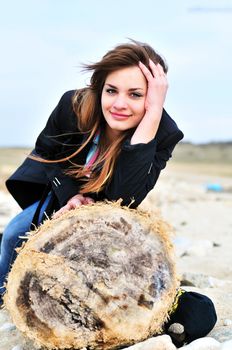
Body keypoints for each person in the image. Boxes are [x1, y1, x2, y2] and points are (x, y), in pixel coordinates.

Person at [0, 40, 216, 346]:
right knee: (14, 234)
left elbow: (124, 197)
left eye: (136, 94)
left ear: (153, 97)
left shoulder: (165, 132)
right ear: (100, 87)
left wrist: (151, 116)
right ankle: (1, 295)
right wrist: (70, 196)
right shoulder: (73, 105)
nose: (119, 104)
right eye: (111, 90)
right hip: (68, 191)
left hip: (112, 209)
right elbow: (49, 154)